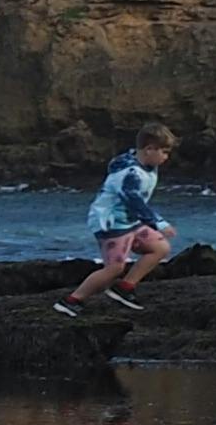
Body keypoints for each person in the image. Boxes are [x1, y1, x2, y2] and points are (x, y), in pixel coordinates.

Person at [61, 125, 179, 314]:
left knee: (160, 248)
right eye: (164, 152)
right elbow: (133, 200)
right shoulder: (129, 173)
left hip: (130, 222)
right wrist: (159, 223)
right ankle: (72, 300)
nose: (166, 158)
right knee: (115, 268)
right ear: (149, 149)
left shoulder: (146, 165)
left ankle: (124, 288)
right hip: (111, 223)